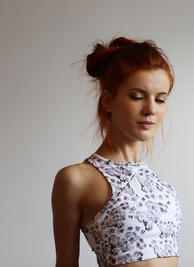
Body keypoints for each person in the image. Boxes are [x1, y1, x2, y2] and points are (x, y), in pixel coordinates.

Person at [51, 36, 182, 267]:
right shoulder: (75, 179)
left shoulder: (161, 186)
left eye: (160, 99)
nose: (151, 109)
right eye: (137, 97)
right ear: (108, 101)